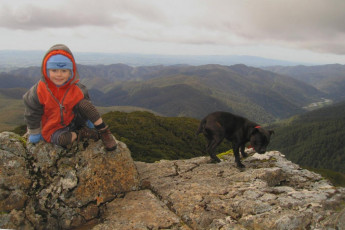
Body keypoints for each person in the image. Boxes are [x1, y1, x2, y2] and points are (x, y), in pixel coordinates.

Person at [23, 44, 117, 151]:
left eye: (64, 71)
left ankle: (104, 132)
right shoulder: (39, 91)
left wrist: (91, 121)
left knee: (84, 103)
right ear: (46, 70)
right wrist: (35, 132)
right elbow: (32, 112)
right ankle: (80, 133)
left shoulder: (76, 88)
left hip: (73, 120)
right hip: (53, 127)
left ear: (70, 72)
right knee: (63, 140)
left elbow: (87, 105)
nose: (59, 75)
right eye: (54, 70)